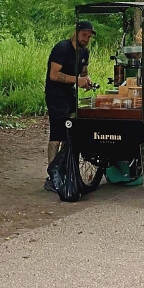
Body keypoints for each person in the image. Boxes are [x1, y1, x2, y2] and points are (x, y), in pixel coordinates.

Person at [44, 21, 93, 182]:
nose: (86, 38)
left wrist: (86, 80)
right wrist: (76, 80)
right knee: (57, 134)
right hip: (55, 95)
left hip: (70, 95)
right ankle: (52, 175)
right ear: (76, 32)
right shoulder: (62, 48)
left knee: (70, 133)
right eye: (83, 35)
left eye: (88, 36)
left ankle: (65, 170)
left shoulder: (84, 52)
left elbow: (83, 72)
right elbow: (53, 74)